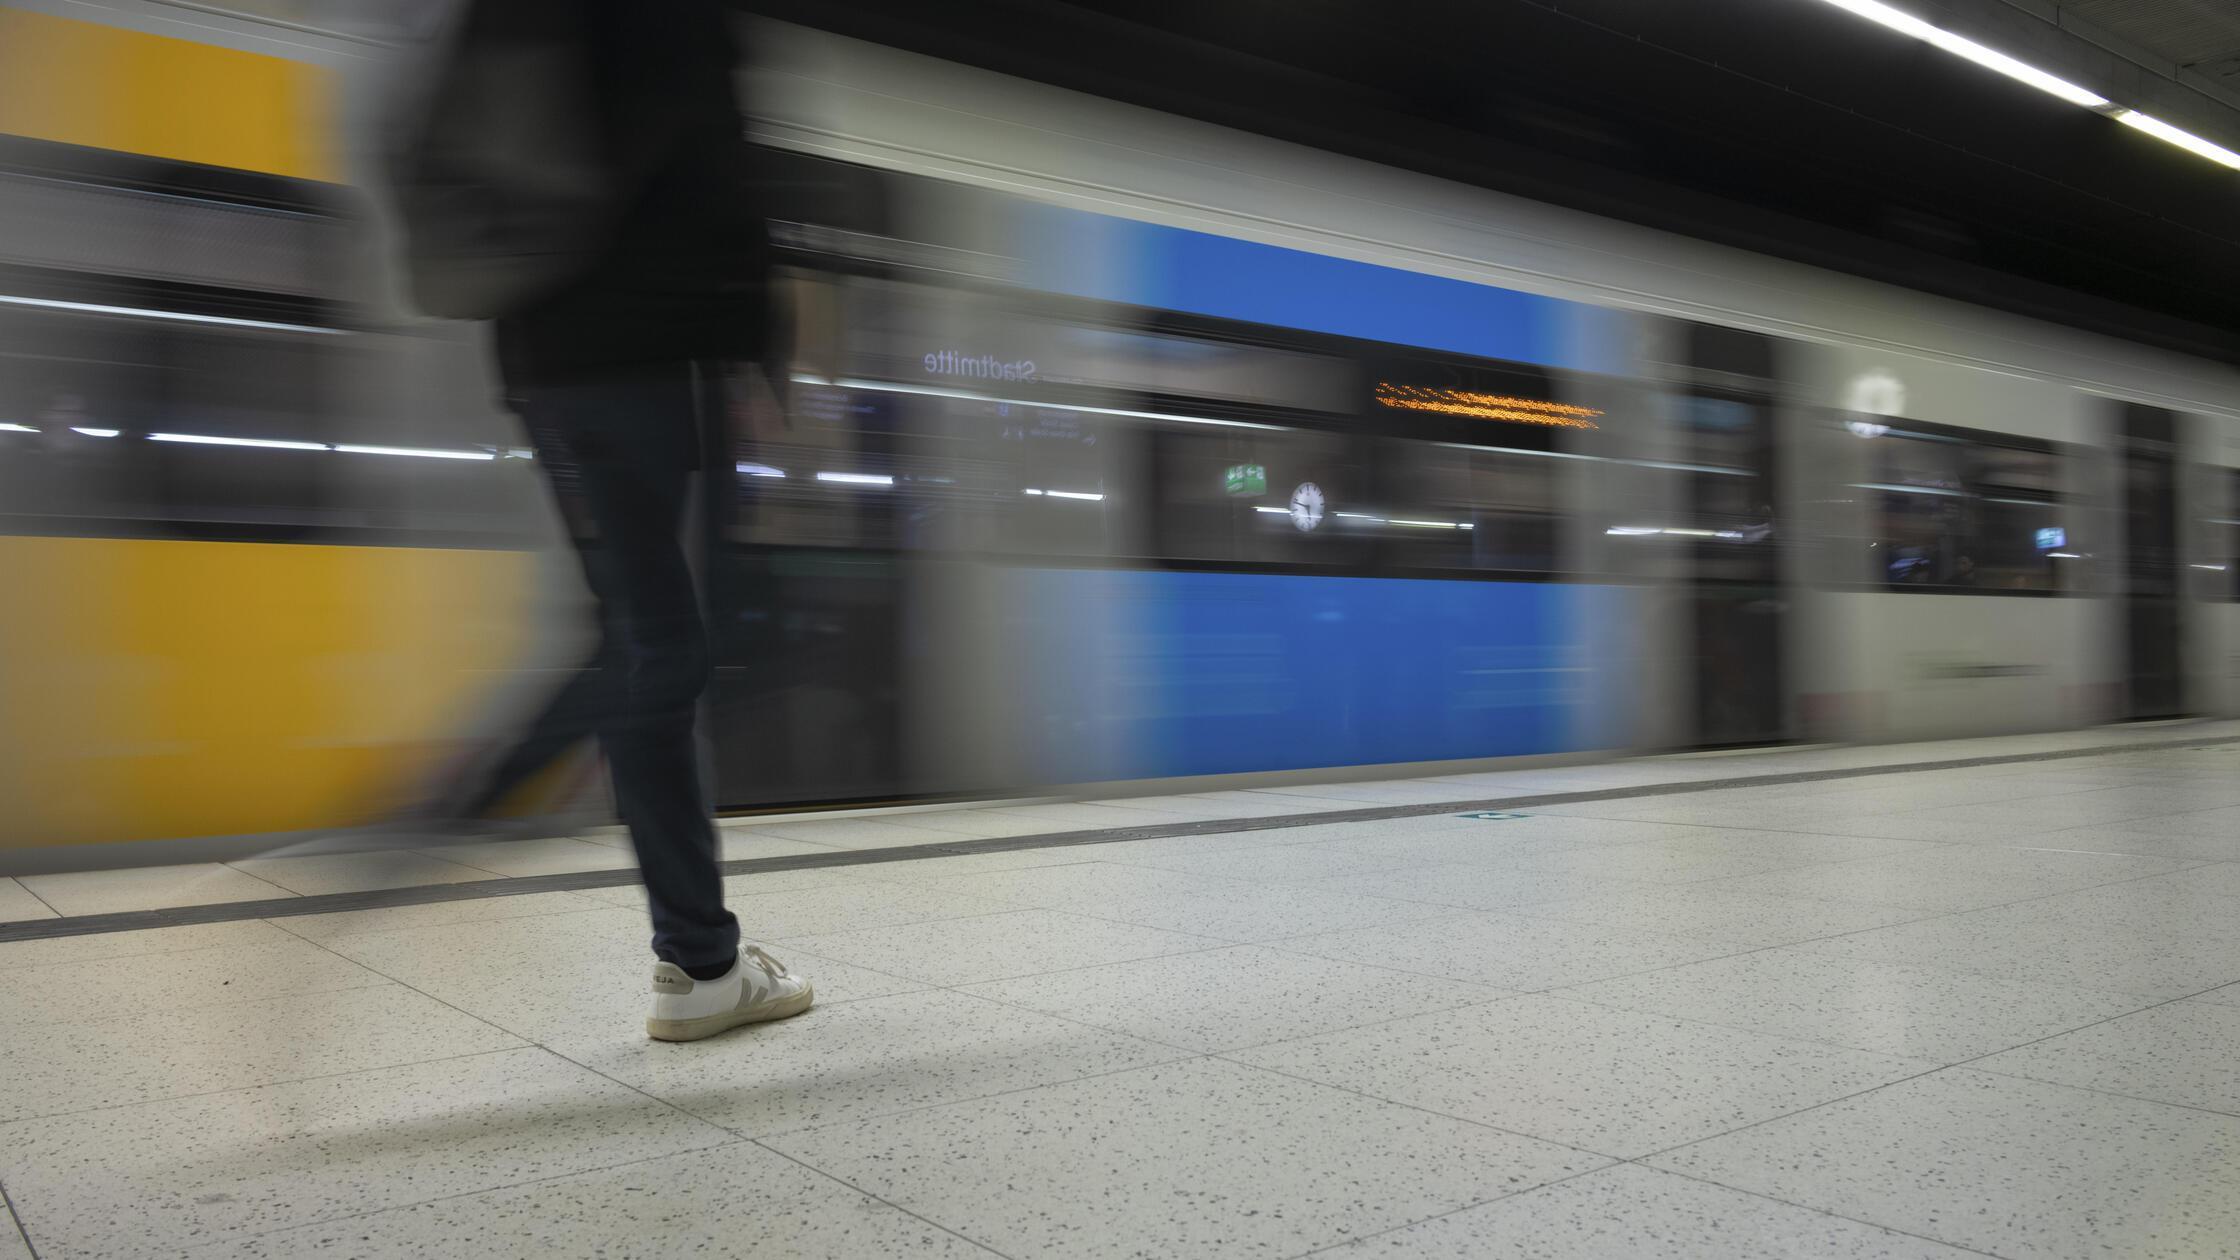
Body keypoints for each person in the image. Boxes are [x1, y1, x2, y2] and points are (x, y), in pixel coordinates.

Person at [393, 0, 810, 1041]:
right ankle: (430, 824)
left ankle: (702, 964)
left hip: (547, 360)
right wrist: (759, 337)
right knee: (680, 640)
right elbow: (715, 153)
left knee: (645, 643)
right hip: (658, 351)